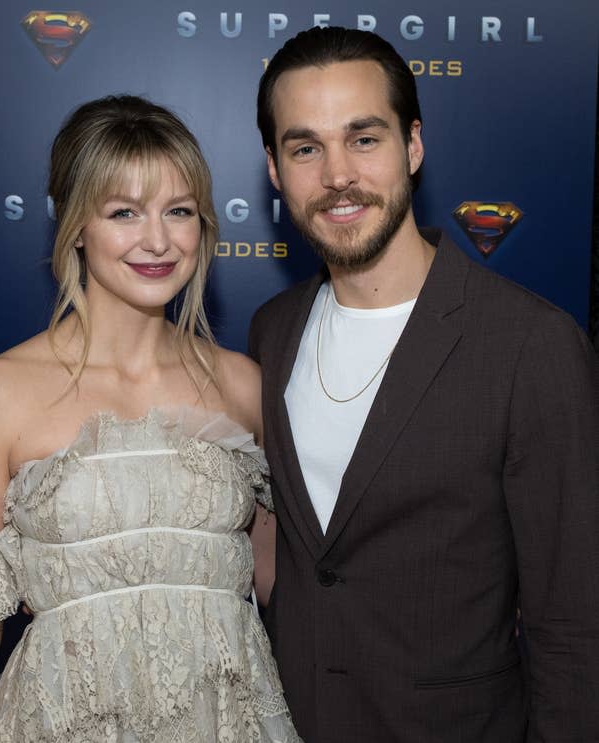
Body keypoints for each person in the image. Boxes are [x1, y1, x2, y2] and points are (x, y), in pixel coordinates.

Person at [248, 26, 599, 743]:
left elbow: (574, 624)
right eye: (306, 146)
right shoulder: (272, 331)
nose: (337, 173)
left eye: (364, 138)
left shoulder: (532, 343)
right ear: (275, 170)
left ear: (413, 146)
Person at [0, 95, 301, 742]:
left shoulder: (243, 385)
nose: (157, 240)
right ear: (76, 226)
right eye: (124, 212)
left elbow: (285, 588)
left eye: (178, 211)